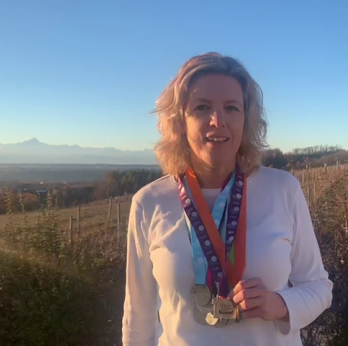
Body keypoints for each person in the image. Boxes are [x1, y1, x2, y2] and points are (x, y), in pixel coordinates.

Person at [122, 52, 333, 346]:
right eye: (201, 107)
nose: (217, 120)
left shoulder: (283, 189)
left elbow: (319, 287)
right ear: (179, 121)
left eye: (231, 108)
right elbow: (138, 316)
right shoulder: (150, 202)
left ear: (246, 119)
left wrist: (281, 304)